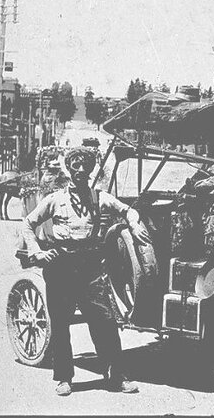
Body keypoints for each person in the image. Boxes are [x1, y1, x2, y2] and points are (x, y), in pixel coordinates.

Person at [21, 147, 151, 397]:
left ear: (91, 170)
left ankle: (116, 377)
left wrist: (134, 222)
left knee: (105, 321)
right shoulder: (54, 199)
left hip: (90, 266)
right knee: (60, 323)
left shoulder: (100, 197)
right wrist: (37, 251)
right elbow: (28, 223)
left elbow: (127, 210)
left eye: (86, 166)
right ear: (69, 169)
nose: (81, 170)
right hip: (60, 266)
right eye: (76, 166)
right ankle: (64, 378)